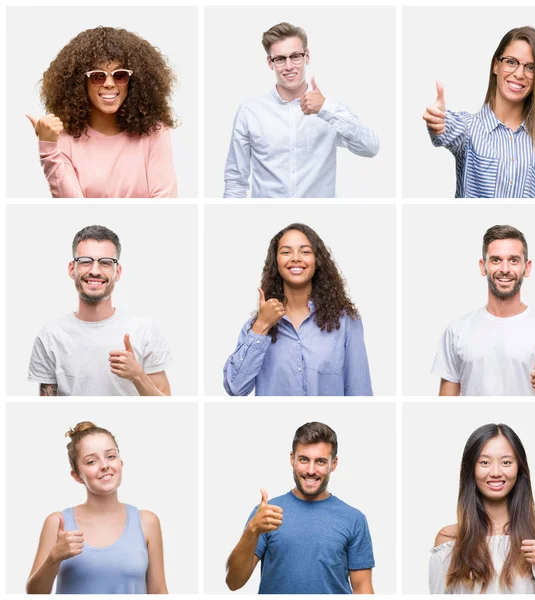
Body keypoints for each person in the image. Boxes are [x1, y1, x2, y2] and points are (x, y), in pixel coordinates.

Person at [224, 22, 379, 198]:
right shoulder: (249, 112)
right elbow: (235, 179)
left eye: (295, 56)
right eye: (280, 59)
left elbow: (370, 147)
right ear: (270, 63)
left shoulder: (331, 110)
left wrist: (325, 109)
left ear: (307, 56)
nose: (289, 66)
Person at [26, 26, 177, 198]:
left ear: (133, 81)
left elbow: (164, 201)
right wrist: (48, 149)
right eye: (98, 76)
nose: (109, 83)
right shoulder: (64, 139)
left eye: (119, 75)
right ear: (80, 82)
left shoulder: (155, 134)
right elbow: (72, 206)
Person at [223, 223, 372, 396]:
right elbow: (235, 388)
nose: (296, 258)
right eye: (286, 252)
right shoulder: (256, 326)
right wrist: (262, 326)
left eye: (305, 252)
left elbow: (359, 390)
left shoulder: (345, 321)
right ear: (275, 263)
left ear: (317, 261)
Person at [226, 422, 375, 594]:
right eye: (304, 459)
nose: (311, 470)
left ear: (333, 464)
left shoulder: (354, 519)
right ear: (292, 459)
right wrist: (252, 529)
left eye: (320, 461)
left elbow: (362, 587)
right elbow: (233, 582)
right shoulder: (267, 514)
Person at [423, 26, 535, 198]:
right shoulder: (468, 129)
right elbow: (445, 129)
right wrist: (438, 122)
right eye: (511, 62)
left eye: (530, 67)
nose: (519, 74)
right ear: (495, 65)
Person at [28, 225, 172, 396]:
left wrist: (137, 375)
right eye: (85, 261)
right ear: (71, 269)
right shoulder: (50, 336)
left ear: (117, 272)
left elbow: (165, 406)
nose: (95, 271)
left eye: (105, 263)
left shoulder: (144, 331)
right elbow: (47, 408)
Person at [26, 421, 168, 594]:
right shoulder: (58, 523)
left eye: (110, 456)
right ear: (77, 476)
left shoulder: (146, 521)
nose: (104, 465)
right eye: (91, 461)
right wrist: (53, 558)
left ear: (121, 464)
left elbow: (159, 591)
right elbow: (34, 593)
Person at [430, 423, 535, 594]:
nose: (496, 472)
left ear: (519, 467)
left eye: (506, 462)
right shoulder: (449, 540)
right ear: (471, 469)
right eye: (484, 462)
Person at [432, 225, 535, 396]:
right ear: (483, 267)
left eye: (513, 260)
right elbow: (447, 405)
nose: (505, 269)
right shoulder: (456, 331)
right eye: (496, 260)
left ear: (526, 268)